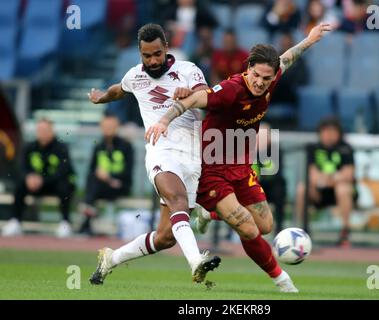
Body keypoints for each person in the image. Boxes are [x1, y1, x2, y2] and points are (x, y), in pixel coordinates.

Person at [146, 23, 332, 293]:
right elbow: (192, 100)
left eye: (266, 79)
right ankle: (283, 281)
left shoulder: (272, 74)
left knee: (265, 225)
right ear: (248, 69)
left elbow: (288, 57)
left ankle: (209, 212)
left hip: (241, 166)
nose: (260, 82)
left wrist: (310, 39)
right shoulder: (231, 90)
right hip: (211, 168)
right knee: (246, 226)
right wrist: (164, 120)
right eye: (256, 75)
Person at [86, 23, 220, 285]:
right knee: (178, 201)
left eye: (157, 54)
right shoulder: (135, 75)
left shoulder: (188, 70)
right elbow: (118, 90)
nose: (153, 60)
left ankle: (110, 259)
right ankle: (196, 262)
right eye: (147, 56)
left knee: (165, 237)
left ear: (166, 48)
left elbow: (207, 95)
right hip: (161, 151)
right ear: (140, 53)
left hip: (192, 158)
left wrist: (190, 93)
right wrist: (101, 97)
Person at [2, 119, 76, 238]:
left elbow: (64, 170)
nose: (43, 133)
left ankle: (65, 223)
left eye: (46, 130)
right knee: (20, 185)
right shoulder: (29, 147)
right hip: (33, 185)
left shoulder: (61, 148)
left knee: (65, 185)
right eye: (40, 130)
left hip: (53, 185)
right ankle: (15, 221)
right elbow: (20, 167)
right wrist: (28, 177)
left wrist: (43, 180)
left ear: (52, 131)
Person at [295, 117, 356, 248]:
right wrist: (329, 179)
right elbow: (313, 174)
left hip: (339, 193)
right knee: (302, 189)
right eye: (326, 131)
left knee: (343, 188)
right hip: (319, 192)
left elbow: (348, 174)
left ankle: (345, 233)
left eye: (333, 131)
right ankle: (302, 231)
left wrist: (329, 179)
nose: (329, 135)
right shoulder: (313, 148)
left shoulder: (346, 148)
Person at [78, 113, 135, 236]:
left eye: (111, 126)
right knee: (93, 179)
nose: (108, 129)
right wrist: (104, 177)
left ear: (117, 127)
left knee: (93, 185)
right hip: (101, 186)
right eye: (105, 126)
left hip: (119, 186)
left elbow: (127, 172)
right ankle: (89, 214)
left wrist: (109, 177)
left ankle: (87, 220)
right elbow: (92, 169)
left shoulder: (126, 146)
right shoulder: (99, 146)